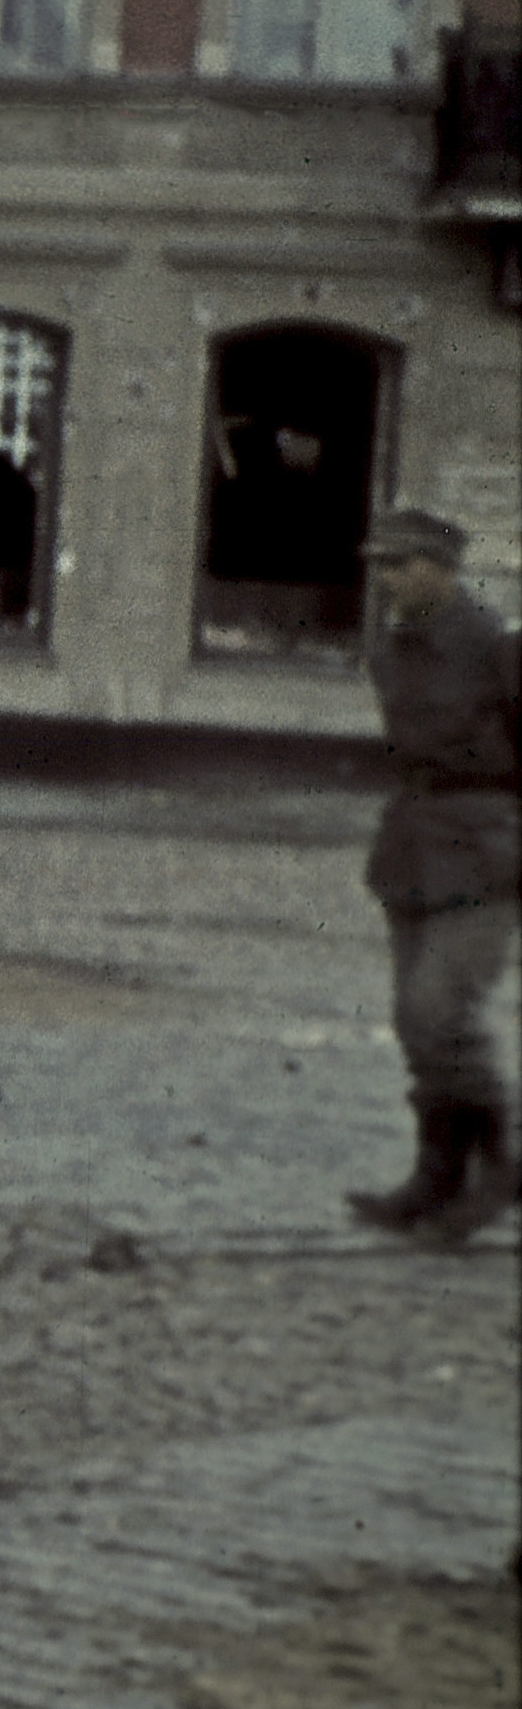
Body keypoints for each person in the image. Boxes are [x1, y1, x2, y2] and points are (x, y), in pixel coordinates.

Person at [344, 510, 517, 1247]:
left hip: (486, 844)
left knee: (442, 1009)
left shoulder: (494, 647)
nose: (385, 579)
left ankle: (504, 1168)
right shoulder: (392, 649)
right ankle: (436, 1174)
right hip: (414, 843)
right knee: (415, 1022)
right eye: (379, 564)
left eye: (401, 564)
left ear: (443, 567)